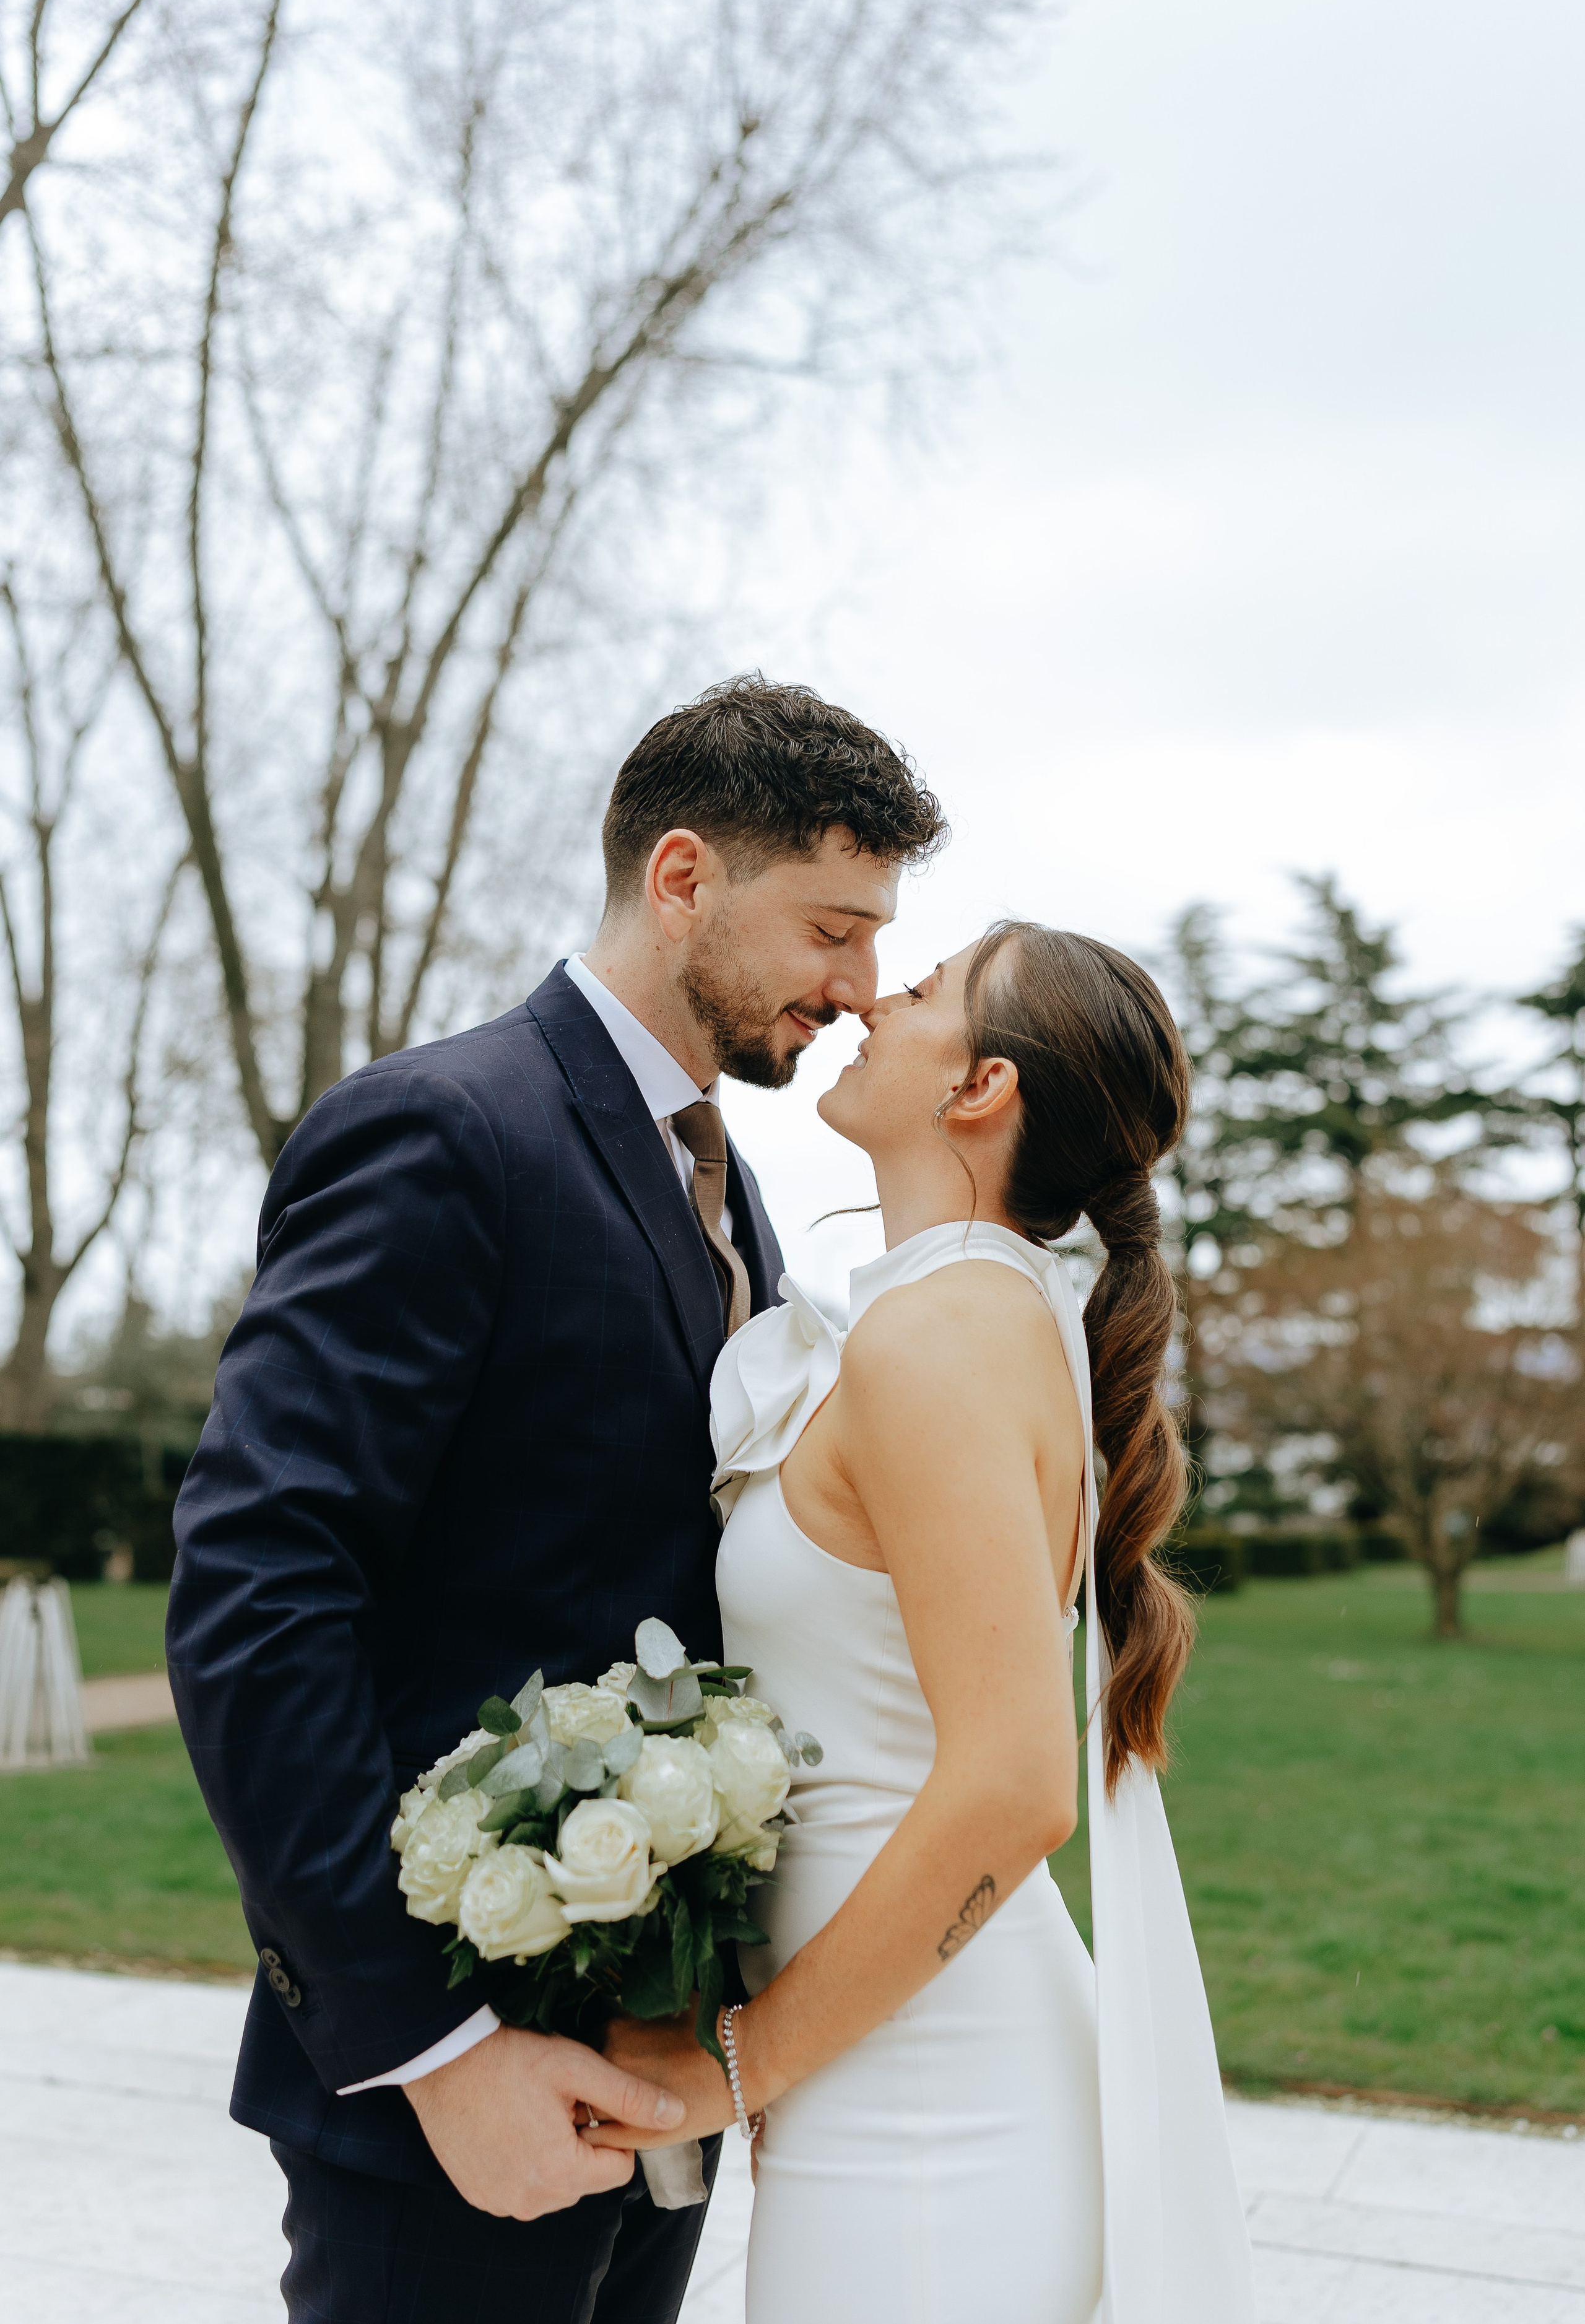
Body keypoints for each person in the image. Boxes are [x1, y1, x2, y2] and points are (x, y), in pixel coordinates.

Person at [163, 674, 946, 2324]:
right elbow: (258, 1592)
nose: (861, 989)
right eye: (830, 928)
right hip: (460, 2091)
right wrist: (429, 2051)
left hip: (655, 2071)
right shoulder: (446, 1133)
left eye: (875, 941)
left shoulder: (738, 1199)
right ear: (682, 881)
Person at [586, 923, 1257, 2322]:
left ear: (981, 1087)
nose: (875, 996)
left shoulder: (944, 1331)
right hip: (891, 2062)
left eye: (928, 985)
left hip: (935, 2109)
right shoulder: (964, 1312)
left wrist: (744, 2059)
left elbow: (1016, 1785)